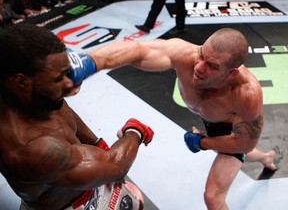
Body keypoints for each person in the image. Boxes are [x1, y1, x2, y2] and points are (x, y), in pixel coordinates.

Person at [69, 28, 277, 210]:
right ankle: (266, 157)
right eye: (201, 54)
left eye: (212, 65)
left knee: (213, 197)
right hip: (212, 122)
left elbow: (243, 144)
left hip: (229, 133)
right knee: (248, 156)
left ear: (231, 73)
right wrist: (89, 63)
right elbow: (139, 51)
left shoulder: (246, 95)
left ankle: (263, 156)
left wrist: (202, 142)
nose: (199, 67)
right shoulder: (187, 54)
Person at [0, 23, 154, 210]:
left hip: (80, 176)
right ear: (22, 81)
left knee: (136, 203)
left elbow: (61, 110)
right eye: (58, 78)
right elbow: (115, 166)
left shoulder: (38, 94)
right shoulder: (31, 149)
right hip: (67, 205)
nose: (69, 85)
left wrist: (98, 143)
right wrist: (135, 132)